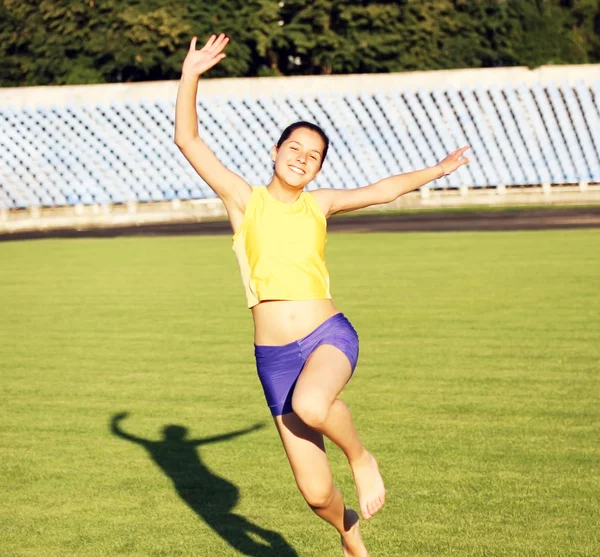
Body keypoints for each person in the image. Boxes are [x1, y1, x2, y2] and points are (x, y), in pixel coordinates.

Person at [174, 33, 470, 557]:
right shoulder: (244, 200)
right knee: (314, 493)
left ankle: (360, 457)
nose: (302, 159)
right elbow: (188, 141)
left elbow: (382, 190)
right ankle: (347, 528)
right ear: (276, 151)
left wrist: (437, 171)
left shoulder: (321, 204)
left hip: (326, 335)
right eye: (295, 149)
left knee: (314, 403)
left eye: (313, 156)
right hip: (274, 359)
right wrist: (191, 74)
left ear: (319, 168)